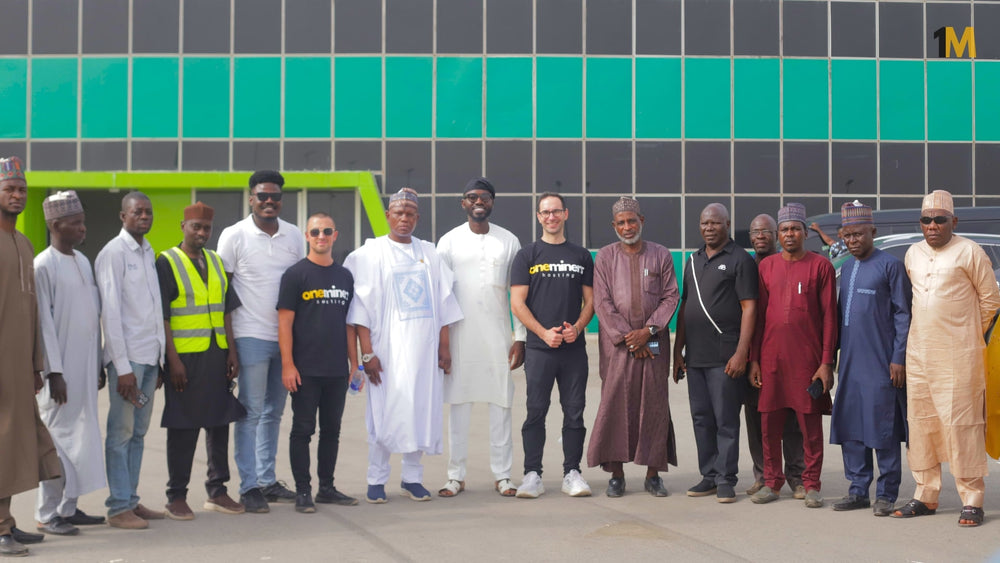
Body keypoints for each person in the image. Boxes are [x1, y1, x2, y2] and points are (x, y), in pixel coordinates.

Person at [344, 188, 463, 504]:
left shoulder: (429, 253)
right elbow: (359, 310)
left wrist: (444, 347)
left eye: (410, 214)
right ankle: (376, 479)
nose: (404, 219)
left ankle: (412, 478)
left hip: (424, 352)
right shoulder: (368, 254)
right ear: (387, 216)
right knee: (383, 414)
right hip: (386, 353)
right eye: (398, 213)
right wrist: (366, 353)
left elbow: (444, 302)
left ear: (417, 218)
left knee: (420, 410)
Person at [892, 190, 1000, 527]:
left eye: (940, 219)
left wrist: (965, 334)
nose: (933, 226)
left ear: (954, 221)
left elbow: (990, 301)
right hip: (919, 354)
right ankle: (926, 494)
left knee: (961, 426)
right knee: (922, 424)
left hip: (960, 355)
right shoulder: (912, 254)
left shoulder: (970, 251)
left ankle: (972, 499)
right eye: (927, 220)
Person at [217, 170, 305, 513]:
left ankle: (267, 481)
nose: (269, 201)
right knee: (250, 412)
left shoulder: (294, 235)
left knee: (273, 413)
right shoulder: (234, 235)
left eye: (275, 196)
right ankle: (249, 485)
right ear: (251, 198)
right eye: (262, 196)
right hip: (250, 336)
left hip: (285, 340)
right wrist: (230, 346)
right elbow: (222, 292)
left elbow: (300, 286)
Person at [156, 202, 247, 520]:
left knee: (219, 421)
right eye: (195, 226)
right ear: (183, 226)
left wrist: (232, 353)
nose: (201, 232)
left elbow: (226, 311)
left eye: (206, 228)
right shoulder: (167, 261)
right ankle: (176, 496)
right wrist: (172, 360)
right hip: (184, 358)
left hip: (216, 354)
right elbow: (163, 316)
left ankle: (217, 491)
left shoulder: (216, 261)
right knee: (183, 425)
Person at [435, 178, 525, 498]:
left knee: (501, 404)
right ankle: (455, 476)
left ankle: (503, 475)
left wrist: (521, 337)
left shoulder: (508, 241)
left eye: (484, 197)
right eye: (471, 197)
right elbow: (441, 297)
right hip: (460, 339)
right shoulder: (447, 242)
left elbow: (519, 294)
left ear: (492, 202)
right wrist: (442, 344)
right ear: (463, 203)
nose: (478, 202)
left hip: (499, 337)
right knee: (458, 407)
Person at [588, 197, 679, 498]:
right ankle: (616, 474)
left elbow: (670, 297)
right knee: (616, 404)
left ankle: (653, 474)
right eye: (621, 223)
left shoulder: (661, 254)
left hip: (653, 338)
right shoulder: (604, 257)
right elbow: (602, 302)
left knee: (653, 404)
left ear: (642, 220)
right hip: (618, 345)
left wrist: (648, 332)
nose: (627, 227)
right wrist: (630, 337)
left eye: (632, 220)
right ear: (614, 226)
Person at [749, 203, 837, 509]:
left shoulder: (820, 266)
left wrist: (826, 363)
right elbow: (758, 317)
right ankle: (772, 482)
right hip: (771, 359)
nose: (790, 234)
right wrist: (755, 359)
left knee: (809, 427)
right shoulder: (766, 267)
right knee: (768, 424)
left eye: (795, 229)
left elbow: (829, 318)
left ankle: (811, 484)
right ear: (778, 234)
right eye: (784, 229)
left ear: (804, 232)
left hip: (808, 361)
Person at [510, 192, 595, 499]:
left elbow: (591, 300)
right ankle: (532, 474)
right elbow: (517, 303)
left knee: (574, 413)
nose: (551, 217)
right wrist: (543, 333)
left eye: (556, 211)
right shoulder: (527, 255)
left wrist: (579, 327)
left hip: (573, 350)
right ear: (539, 217)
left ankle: (572, 473)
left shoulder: (581, 255)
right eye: (545, 212)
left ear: (566, 214)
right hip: (540, 349)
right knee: (535, 411)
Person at [830, 201, 911, 517]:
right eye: (847, 235)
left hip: (881, 363)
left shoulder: (890, 265)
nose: (852, 241)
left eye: (858, 235)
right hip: (850, 363)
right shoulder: (847, 268)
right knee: (852, 427)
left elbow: (904, 313)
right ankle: (857, 490)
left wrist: (899, 357)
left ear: (872, 232)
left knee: (882, 428)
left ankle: (887, 494)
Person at [34, 191, 107, 537]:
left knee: (81, 439)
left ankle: (69, 507)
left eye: (82, 221)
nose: (82, 228)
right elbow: (44, 325)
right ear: (55, 225)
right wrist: (54, 372)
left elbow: (90, 316)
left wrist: (97, 365)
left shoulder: (82, 260)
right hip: (60, 374)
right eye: (75, 223)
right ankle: (47, 514)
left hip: (84, 369)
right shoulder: (42, 265)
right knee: (58, 442)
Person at [673, 203, 756, 503]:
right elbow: (684, 306)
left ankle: (725, 478)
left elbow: (749, 308)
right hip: (695, 356)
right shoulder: (693, 260)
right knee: (701, 418)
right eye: (704, 223)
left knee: (725, 419)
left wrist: (741, 353)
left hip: (725, 355)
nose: (709, 228)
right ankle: (708, 474)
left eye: (715, 223)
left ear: (727, 225)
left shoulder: (740, 260)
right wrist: (676, 352)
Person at [0, 156, 62, 557]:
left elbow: (34, 311)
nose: (17, 195)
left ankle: (5, 521)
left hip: (20, 367)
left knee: (15, 446)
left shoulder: (24, 243)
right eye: (9, 189)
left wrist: (37, 364)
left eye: (21, 189)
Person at [278, 213, 359, 513]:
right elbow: (284, 323)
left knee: (331, 431)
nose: (321, 236)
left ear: (335, 235)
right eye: (315, 232)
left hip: (337, 370)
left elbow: (349, 324)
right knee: (302, 429)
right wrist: (288, 365)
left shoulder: (344, 276)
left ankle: (327, 487)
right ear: (307, 236)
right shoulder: (295, 275)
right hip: (305, 370)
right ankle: (303, 491)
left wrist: (354, 365)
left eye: (327, 231)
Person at [96, 191, 167, 529]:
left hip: (149, 359)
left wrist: (161, 357)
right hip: (128, 364)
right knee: (121, 433)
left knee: (138, 433)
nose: (144, 217)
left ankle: (132, 500)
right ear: (122, 216)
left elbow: (151, 309)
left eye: (148, 212)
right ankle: (118, 506)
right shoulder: (113, 253)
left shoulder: (147, 251)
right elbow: (110, 314)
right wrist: (122, 369)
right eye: (137, 212)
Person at [744, 215, 806, 497]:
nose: (760, 236)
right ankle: (764, 474)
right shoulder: (746, 264)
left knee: (792, 417)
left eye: (766, 231)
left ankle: (796, 474)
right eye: (755, 231)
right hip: (755, 355)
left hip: (791, 357)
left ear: (776, 234)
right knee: (759, 419)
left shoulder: (784, 262)